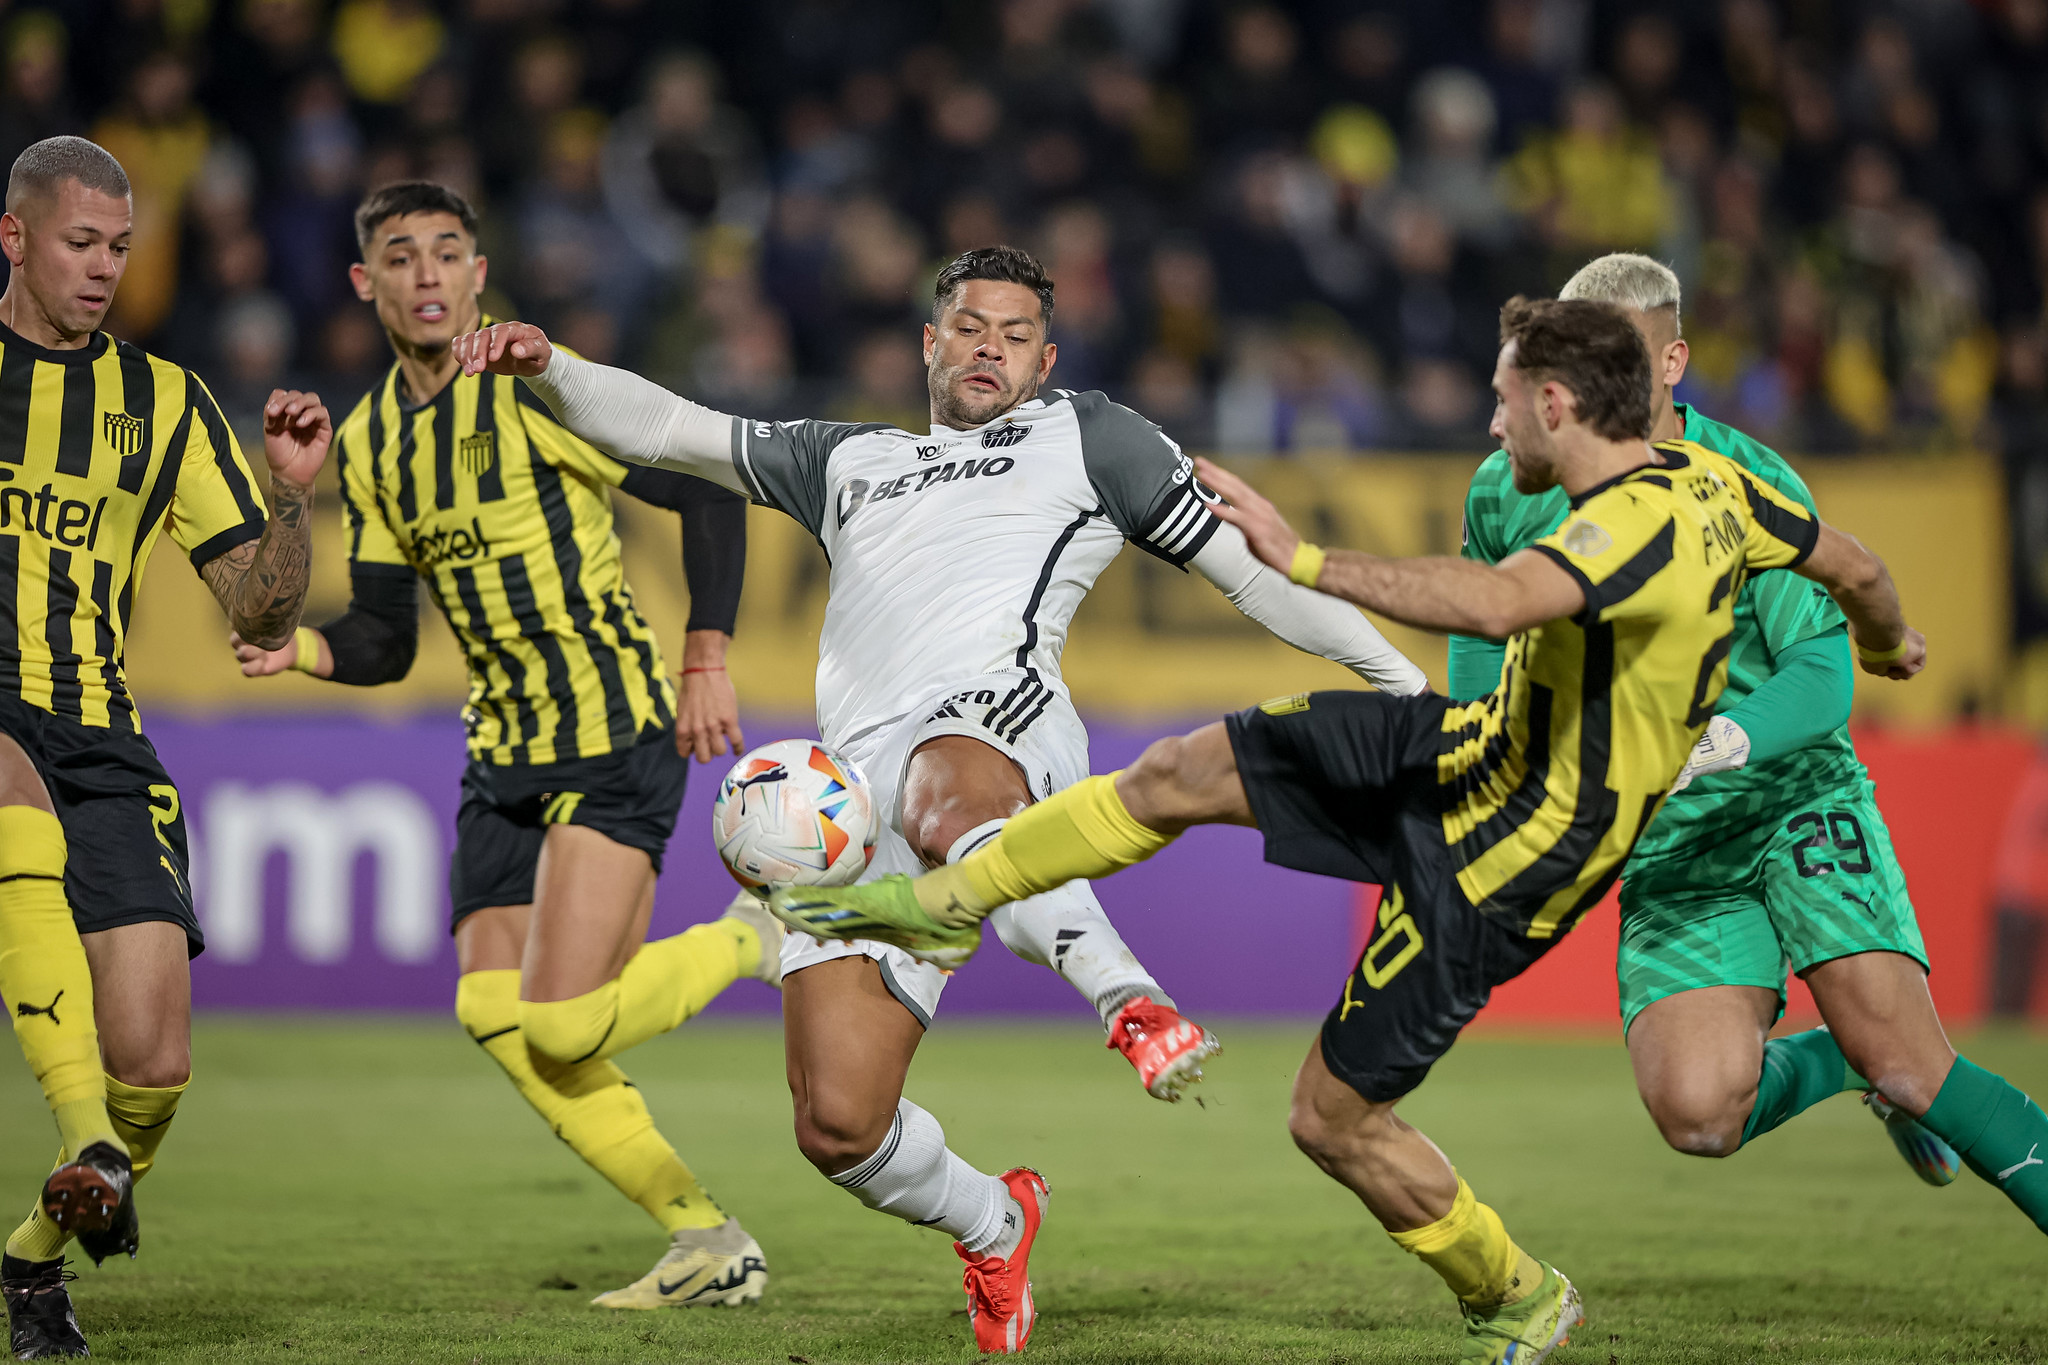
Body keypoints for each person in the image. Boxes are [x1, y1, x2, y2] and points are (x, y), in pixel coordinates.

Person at [768, 297, 1961, 1364]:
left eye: (1502, 405)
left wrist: (1307, 560)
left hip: (1512, 852)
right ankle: (927, 902)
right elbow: (1854, 565)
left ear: (1554, 404)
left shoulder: (1633, 524)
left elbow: (1496, 598)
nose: (1493, 431)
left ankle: (1518, 1294)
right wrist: (1885, 642)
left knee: (1328, 1121)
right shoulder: (1731, 488)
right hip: (1464, 749)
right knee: (1185, 768)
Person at [452, 245, 1428, 1353]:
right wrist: (548, 368)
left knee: (942, 789)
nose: (990, 351)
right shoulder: (848, 459)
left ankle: (1130, 1005)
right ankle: (994, 1219)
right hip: (850, 809)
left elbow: (1250, 573)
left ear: (1045, 359)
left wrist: (1400, 687)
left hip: (995, 729)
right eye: (970, 327)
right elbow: (671, 429)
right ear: (930, 341)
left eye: (1015, 337)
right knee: (835, 1125)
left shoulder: (1088, 435)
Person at [231, 182, 774, 1312]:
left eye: (445, 253)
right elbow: (382, 637)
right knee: (494, 1014)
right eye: (400, 256)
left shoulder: (537, 388)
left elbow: (709, 499)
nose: (426, 275)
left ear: (478, 272)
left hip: (614, 728)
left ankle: (750, 933)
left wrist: (705, 653)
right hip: (502, 756)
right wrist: (306, 658)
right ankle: (703, 1237)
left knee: (567, 1018)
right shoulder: (370, 439)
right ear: (363, 284)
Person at [1450, 253, 1975, 1183]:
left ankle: (1890, 1064)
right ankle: (1848, 1063)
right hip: (1669, 836)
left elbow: (1822, 675)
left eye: (1619, 353)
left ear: (1671, 362)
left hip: (1785, 798)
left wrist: (1722, 743)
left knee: (1913, 1054)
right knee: (1698, 1116)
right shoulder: (1507, 488)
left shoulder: (1742, 481)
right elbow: (1481, 652)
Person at [0, 136, 329, 1360]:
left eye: (121, 249)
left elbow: (260, 608)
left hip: (97, 730)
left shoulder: (167, 402)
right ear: (16, 238)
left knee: (157, 1061)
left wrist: (292, 497)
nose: (102, 271)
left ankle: (31, 1260)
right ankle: (85, 1138)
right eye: (80, 244)